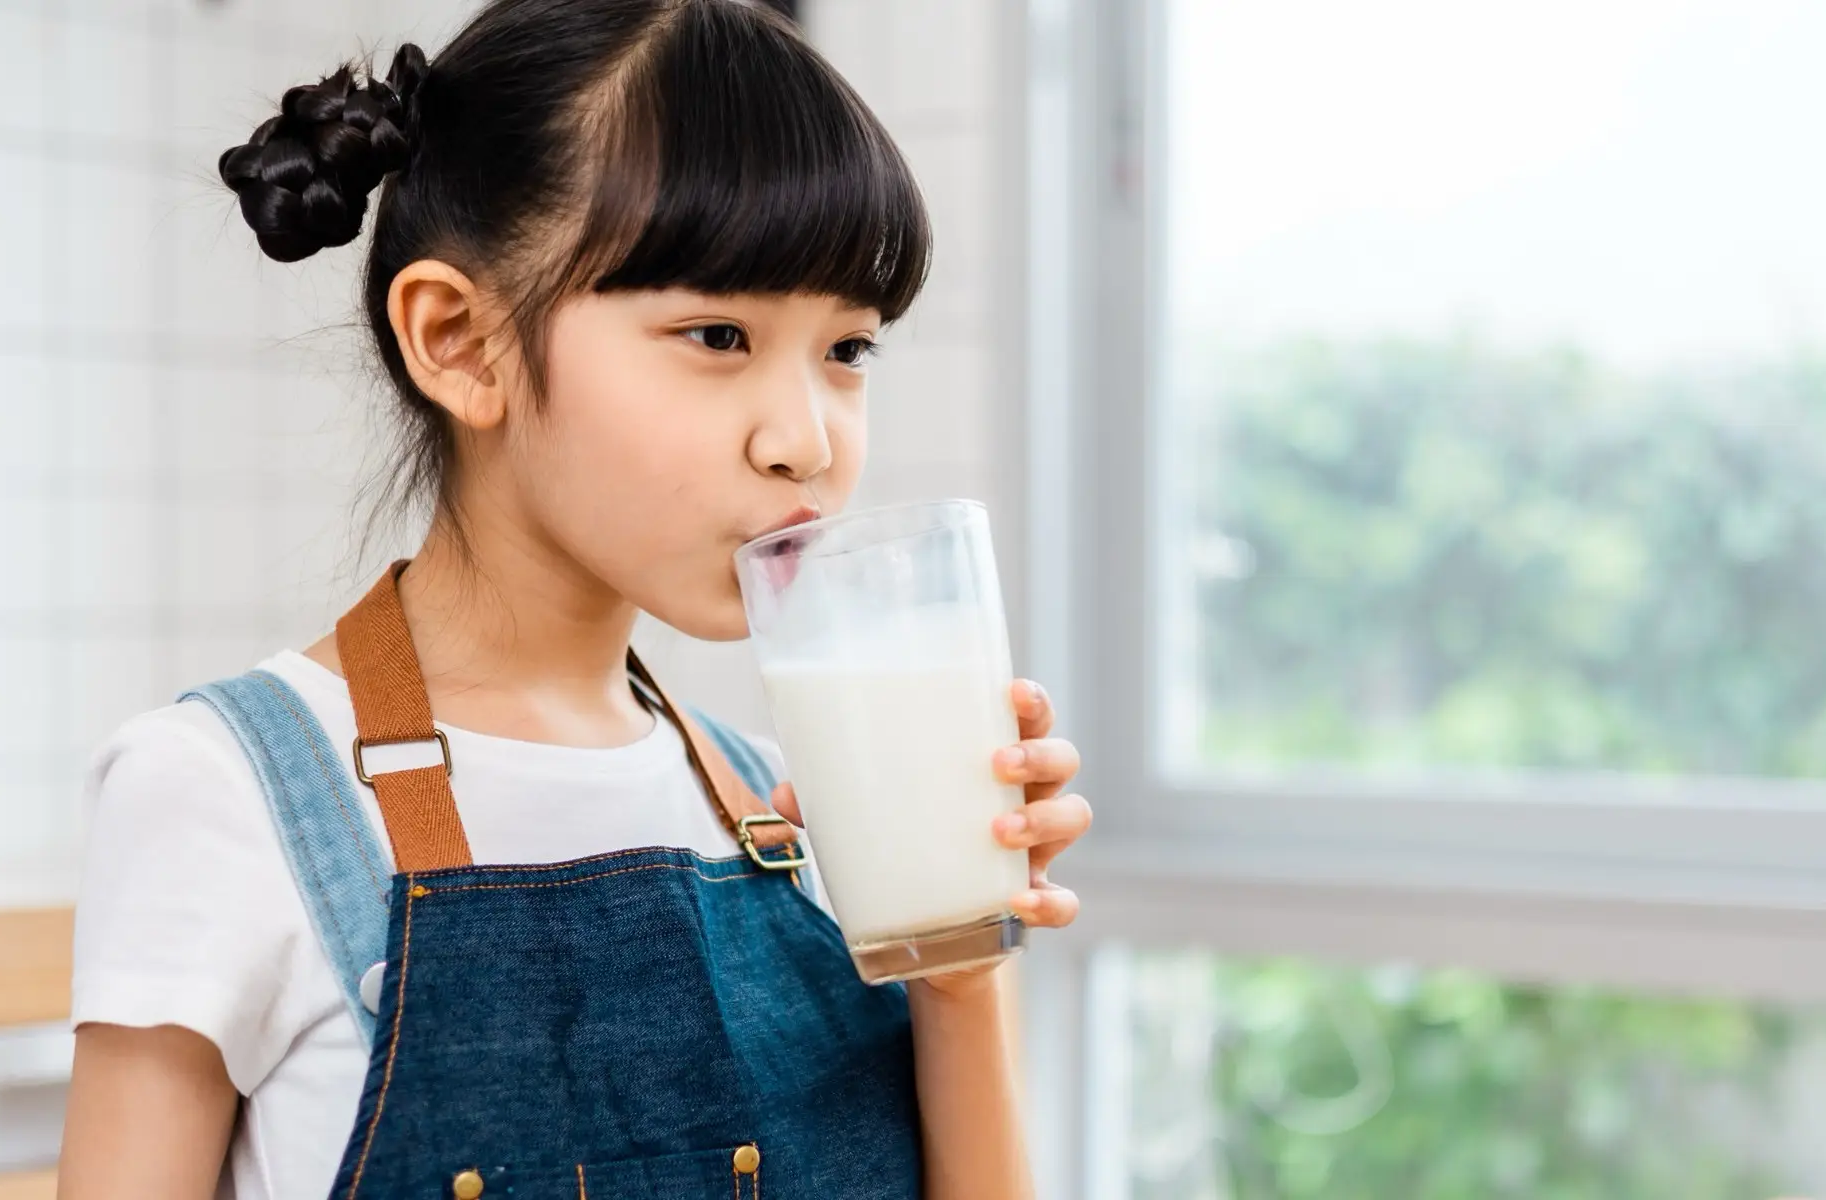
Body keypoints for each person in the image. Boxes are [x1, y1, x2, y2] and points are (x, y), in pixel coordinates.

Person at [54, 3, 1089, 1196]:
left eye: (848, 350)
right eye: (716, 334)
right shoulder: (224, 792)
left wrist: (959, 963)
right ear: (461, 343)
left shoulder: (791, 811)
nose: (806, 441)